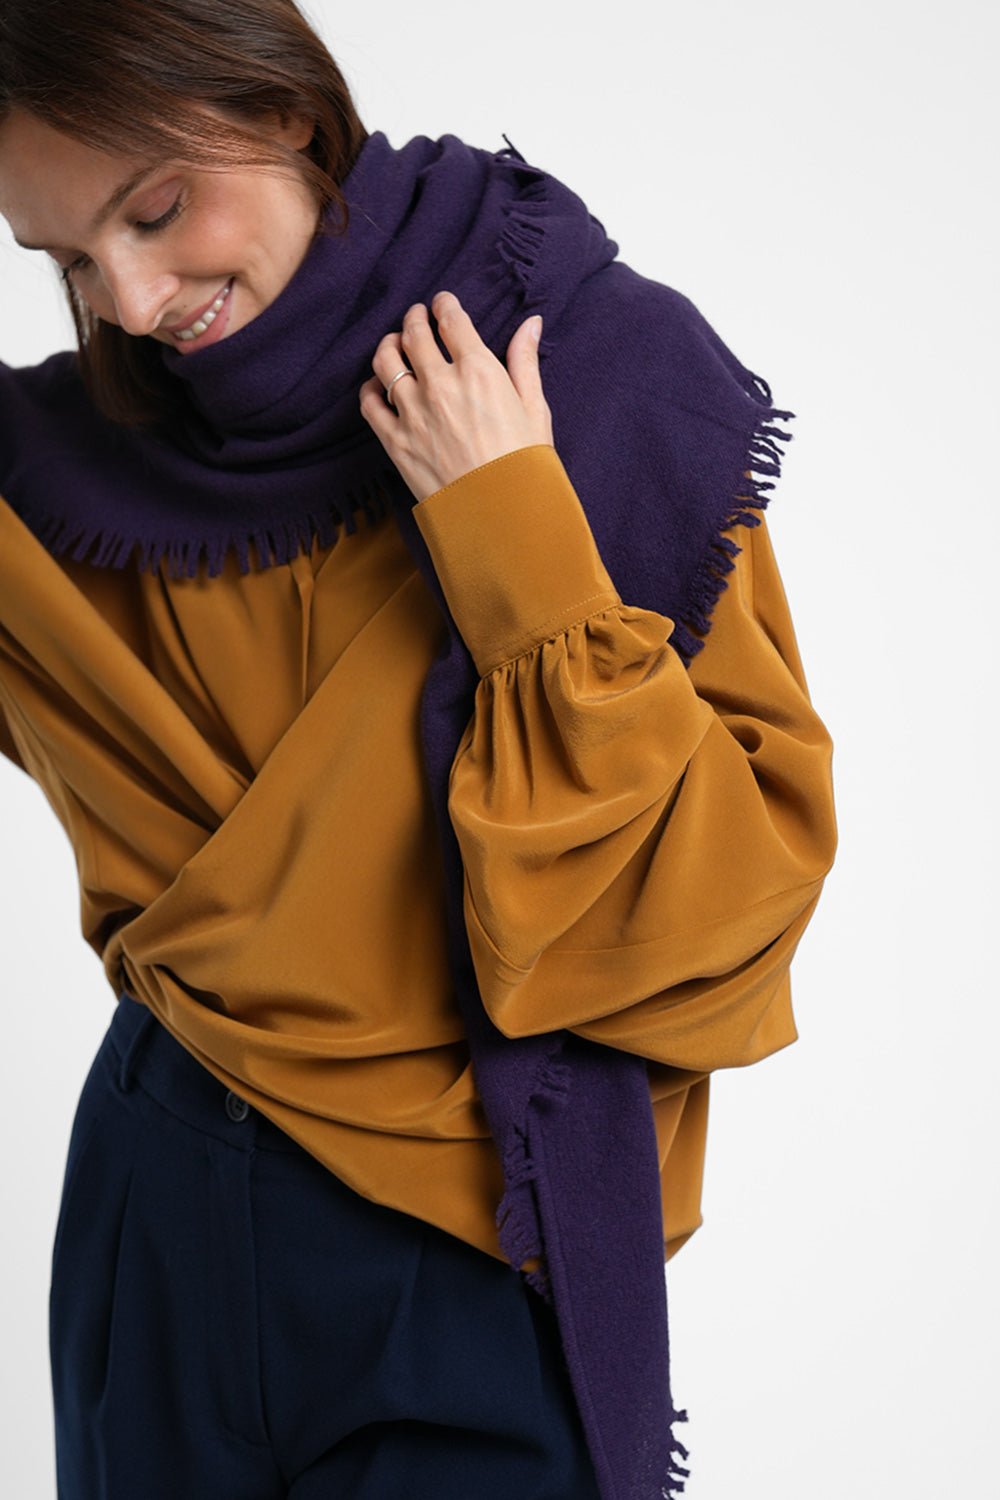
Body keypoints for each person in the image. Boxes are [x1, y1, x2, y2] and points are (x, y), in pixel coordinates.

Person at [0, 1, 836, 1496]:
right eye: (65, 259)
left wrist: (510, 527)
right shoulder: (65, 481)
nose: (127, 300)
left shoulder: (598, 373)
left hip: (473, 1228)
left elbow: (727, 909)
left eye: (156, 210)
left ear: (279, 109)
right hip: (165, 1184)